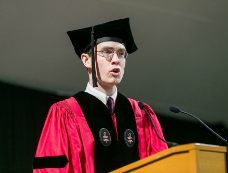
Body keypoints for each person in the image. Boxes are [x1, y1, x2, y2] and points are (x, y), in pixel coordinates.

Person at [33, 18, 168, 173]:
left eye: (121, 53)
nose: (116, 60)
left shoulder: (141, 114)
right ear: (86, 60)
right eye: (107, 52)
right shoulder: (65, 113)